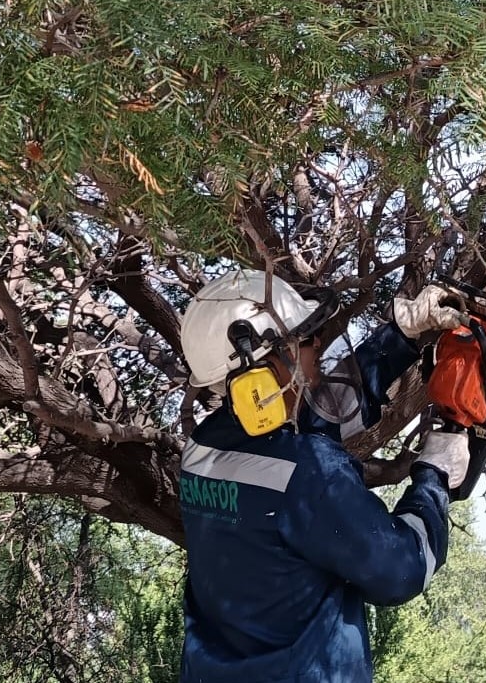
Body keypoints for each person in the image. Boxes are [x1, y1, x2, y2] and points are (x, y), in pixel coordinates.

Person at [176, 270, 470, 683]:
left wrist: (399, 338)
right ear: (257, 375)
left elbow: (316, 415)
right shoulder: (305, 474)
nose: (314, 349)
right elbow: (403, 568)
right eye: (302, 341)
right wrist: (435, 476)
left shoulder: (200, 450)